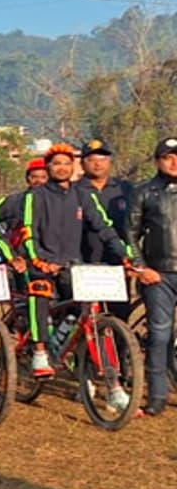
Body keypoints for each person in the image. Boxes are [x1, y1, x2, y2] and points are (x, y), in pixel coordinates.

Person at [19, 143, 127, 401]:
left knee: (90, 316)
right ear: (48, 167)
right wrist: (37, 260)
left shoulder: (82, 195)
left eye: (67, 163)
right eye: (56, 163)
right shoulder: (35, 195)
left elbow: (103, 226)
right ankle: (40, 351)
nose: (62, 168)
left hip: (73, 264)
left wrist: (126, 254)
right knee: (40, 291)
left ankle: (112, 385)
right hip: (43, 264)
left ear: (74, 167)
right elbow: (27, 230)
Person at [124, 137, 177, 417]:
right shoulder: (143, 191)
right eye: (168, 156)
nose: (174, 161)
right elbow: (130, 233)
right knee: (159, 334)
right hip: (159, 275)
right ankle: (157, 395)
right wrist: (141, 267)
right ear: (158, 160)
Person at [74, 139, 134, 266]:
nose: (98, 164)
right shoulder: (73, 191)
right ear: (82, 164)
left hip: (122, 260)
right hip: (84, 261)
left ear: (110, 161)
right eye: (91, 160)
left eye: (102, 159)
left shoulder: (125, 189)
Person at [0, 159, 47, 231]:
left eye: (43, 177)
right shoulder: (11, 201)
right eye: (34, 177)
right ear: (28, 178)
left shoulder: (57, 202)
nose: (38, 180)